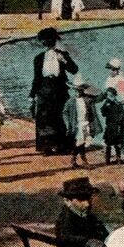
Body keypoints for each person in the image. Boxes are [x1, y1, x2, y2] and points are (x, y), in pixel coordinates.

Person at [30, 27, 78, 155]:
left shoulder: (62, 54)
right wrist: (32, 95)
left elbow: (74, 70)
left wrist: (64, 60)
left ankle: (61, 145)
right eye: (44, 41)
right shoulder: (39, 58)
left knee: (59, 117)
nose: (46, 43)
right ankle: (46, 146)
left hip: (59, 88)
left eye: (48, 40)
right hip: (44, 89)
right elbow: (37, 78)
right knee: (44, 118)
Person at [66, 80, 103, 168]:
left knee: (83, 142)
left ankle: (75, 160)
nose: (78, 92)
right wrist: (68, 123)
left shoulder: (87, 99)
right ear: (74, 90)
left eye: (80, 90)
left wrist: (95, 89)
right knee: (81, 142)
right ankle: (81, 160)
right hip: (78, 125)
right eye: (76, 90)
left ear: (83, 91)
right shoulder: (71, 101)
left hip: (86, 124)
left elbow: (100, 97)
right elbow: (65, 112)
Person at [101, 86, 124, 165]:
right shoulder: (107, 103)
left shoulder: (118, 104)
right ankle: (107, 160)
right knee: (108, 144)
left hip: (118, 126)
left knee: (118, 144)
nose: (110, 97)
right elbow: (103, 113)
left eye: (111, 95)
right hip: (110, 126)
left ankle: (118, 159)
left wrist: (123, 126)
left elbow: (123, 116)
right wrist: (107, 104)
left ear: (114, 94)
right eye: (108, 95)